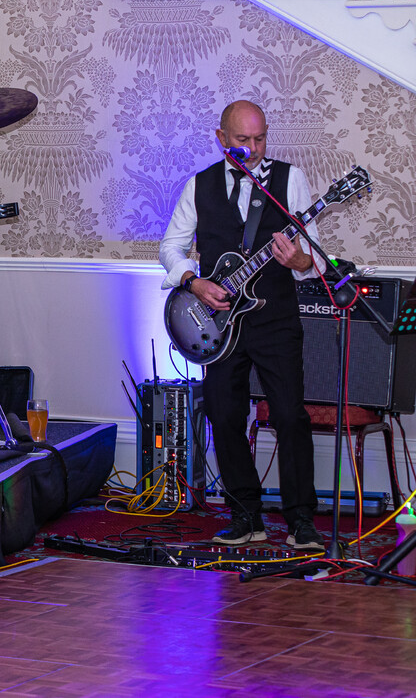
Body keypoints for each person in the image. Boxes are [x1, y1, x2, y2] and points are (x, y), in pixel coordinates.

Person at [160, 100, 322, 551]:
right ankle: (245, 514)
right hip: (219, 324)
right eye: (242, 140)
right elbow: (170, 247)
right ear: (221, 138)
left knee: (289, 415)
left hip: (275, 319)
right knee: (223, 414)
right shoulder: (200, 184)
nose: (253, 148)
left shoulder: (289, 179)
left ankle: (301, 520)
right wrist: (193, 282)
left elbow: (315, 256)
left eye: (260, 138)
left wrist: (300, 260)